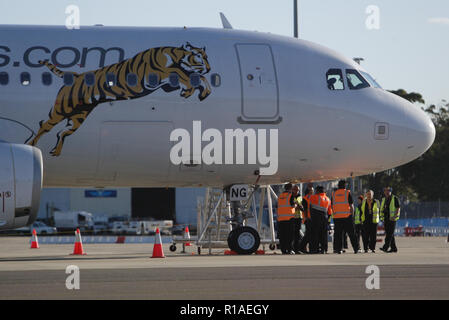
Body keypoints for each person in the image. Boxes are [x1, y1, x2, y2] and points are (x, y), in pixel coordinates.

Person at [331, 180, 359, 254]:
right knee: (352, 233)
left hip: (337, 217)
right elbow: (351, 206)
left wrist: (335, 214)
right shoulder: (347, 193)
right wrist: (352, 215)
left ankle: (338, 249)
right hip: (347, 217)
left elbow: (332, 206)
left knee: (338, 234)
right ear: (344, 185)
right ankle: (356, 249)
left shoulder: (334, 194)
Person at [308, 186, 332, 254]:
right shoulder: (328, 199)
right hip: (325, 218)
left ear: (318, 191)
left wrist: (310, 217)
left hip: (315, 218)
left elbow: (309, 207)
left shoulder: (313, 197)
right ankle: (324, 249)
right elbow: (330, 212)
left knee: (315, 234)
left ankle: (314, 249)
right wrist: (328, 221)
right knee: (324, 235)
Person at [277, 183, 297, 254]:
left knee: (282, 236)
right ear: (291, 188)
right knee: (290, 236)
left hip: (281, 219)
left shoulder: (280, 196)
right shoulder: (290, 195)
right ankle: (289, 249)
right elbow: (292, 205)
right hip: (289, 218)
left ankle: (283, 250)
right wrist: (296, 204)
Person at [380, 187, 400, 253]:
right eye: (385, 190)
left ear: (391, 191)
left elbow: (398, 207)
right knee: (390, 234)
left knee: (389, 234)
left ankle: (385, 247)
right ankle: (394, 248)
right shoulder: (384, 199)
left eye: (388, 190)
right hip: (386, 219)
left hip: (392, 219)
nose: (387, 192)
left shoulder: (394, 198)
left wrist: (395, 215)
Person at [298, 184, 314, 253]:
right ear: (309, 191)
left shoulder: (310, 198)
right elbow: (304, 209)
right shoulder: (305, 198)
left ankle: (304, 247)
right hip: (308, 219)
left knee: (309, 234)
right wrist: (307, 217)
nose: (313, 192)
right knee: (308, 235)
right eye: (312, 190)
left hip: (309, 218)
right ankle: (302, 247)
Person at [291, 185, 305, 254]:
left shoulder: (300, 197)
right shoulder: (290, 197)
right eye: (295, 190)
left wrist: (300, 206)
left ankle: (296, 249)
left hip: (298, 217)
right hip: (292, 218)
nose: (296, 191)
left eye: (297, 190)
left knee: (297, 235)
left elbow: (302, 208)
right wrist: (297, 207)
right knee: (292, 234)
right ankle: (291, 249)